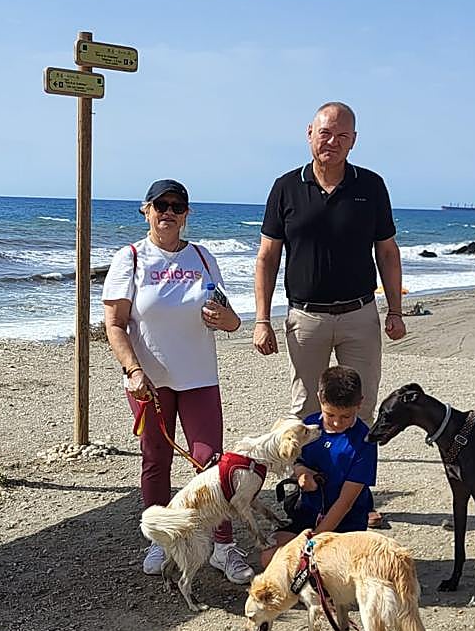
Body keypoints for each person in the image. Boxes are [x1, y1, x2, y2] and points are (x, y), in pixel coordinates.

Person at [101, 179, 255, 584]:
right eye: (160, 205)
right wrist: (134, 371)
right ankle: (162, 541)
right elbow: (114, 325)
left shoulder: (203, 257)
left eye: (177, 206)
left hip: (199, 377)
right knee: (156, 459)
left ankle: (222, 546)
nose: (168, 213)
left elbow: (230, 319)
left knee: (211, 461)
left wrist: (230, 321)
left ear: (186, 214)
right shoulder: (130, 258)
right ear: (146, 210)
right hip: (150, 382)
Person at [252, 101, 406, 423]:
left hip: (360, 315)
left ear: (353, 140)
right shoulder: (286, 188)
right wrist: (262, 320)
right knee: (306, 409)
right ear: (310, 134)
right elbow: (267, 258)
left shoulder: (371, 186)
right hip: (305, 319)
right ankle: (307, 474)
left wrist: (395, 311)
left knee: (361, 408)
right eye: (325, 133)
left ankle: (356, 474)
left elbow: (388, 252)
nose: (332, 142)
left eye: (342, 136)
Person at [259, 365, 377, 568]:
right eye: (330, 415)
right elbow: (297, 460)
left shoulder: (364, 441)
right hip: (307, 516)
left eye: (345, 417)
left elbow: (346, 502)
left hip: (344, 524)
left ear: (359, 404)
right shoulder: (309, 426)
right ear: (320, 400)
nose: (337, 423)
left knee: (319, 565)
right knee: (268, 557)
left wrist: (315, 541)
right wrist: (302, 472)